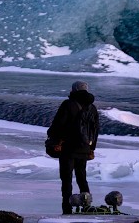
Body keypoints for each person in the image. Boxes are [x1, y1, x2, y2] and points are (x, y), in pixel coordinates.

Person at [46, 80, 99, 214]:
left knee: (66, 179)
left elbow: (59, 125)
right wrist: (92, 148)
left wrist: (53, 138)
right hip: (84, 148)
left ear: (74, 90)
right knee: (82, 178)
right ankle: (86, 206)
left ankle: (67, 209)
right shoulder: (92, 108)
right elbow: (95, 130)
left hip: (68, 149)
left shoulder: (68, 104)